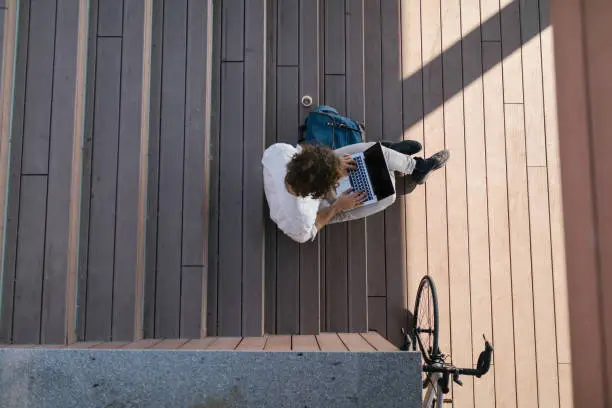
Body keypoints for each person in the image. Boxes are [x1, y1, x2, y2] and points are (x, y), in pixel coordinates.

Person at [262, 140, 449, 243]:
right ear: (321, 190)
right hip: (324, 208)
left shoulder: (279, 153)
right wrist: (337, 207)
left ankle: (415, 167)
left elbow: (310, 163)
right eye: (336, 180)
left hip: (313, 177)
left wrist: (332, 163)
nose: (339, 177)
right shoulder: (299, 220)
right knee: (388, 197)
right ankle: (391, 161)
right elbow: (310, 230)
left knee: (367, 153)